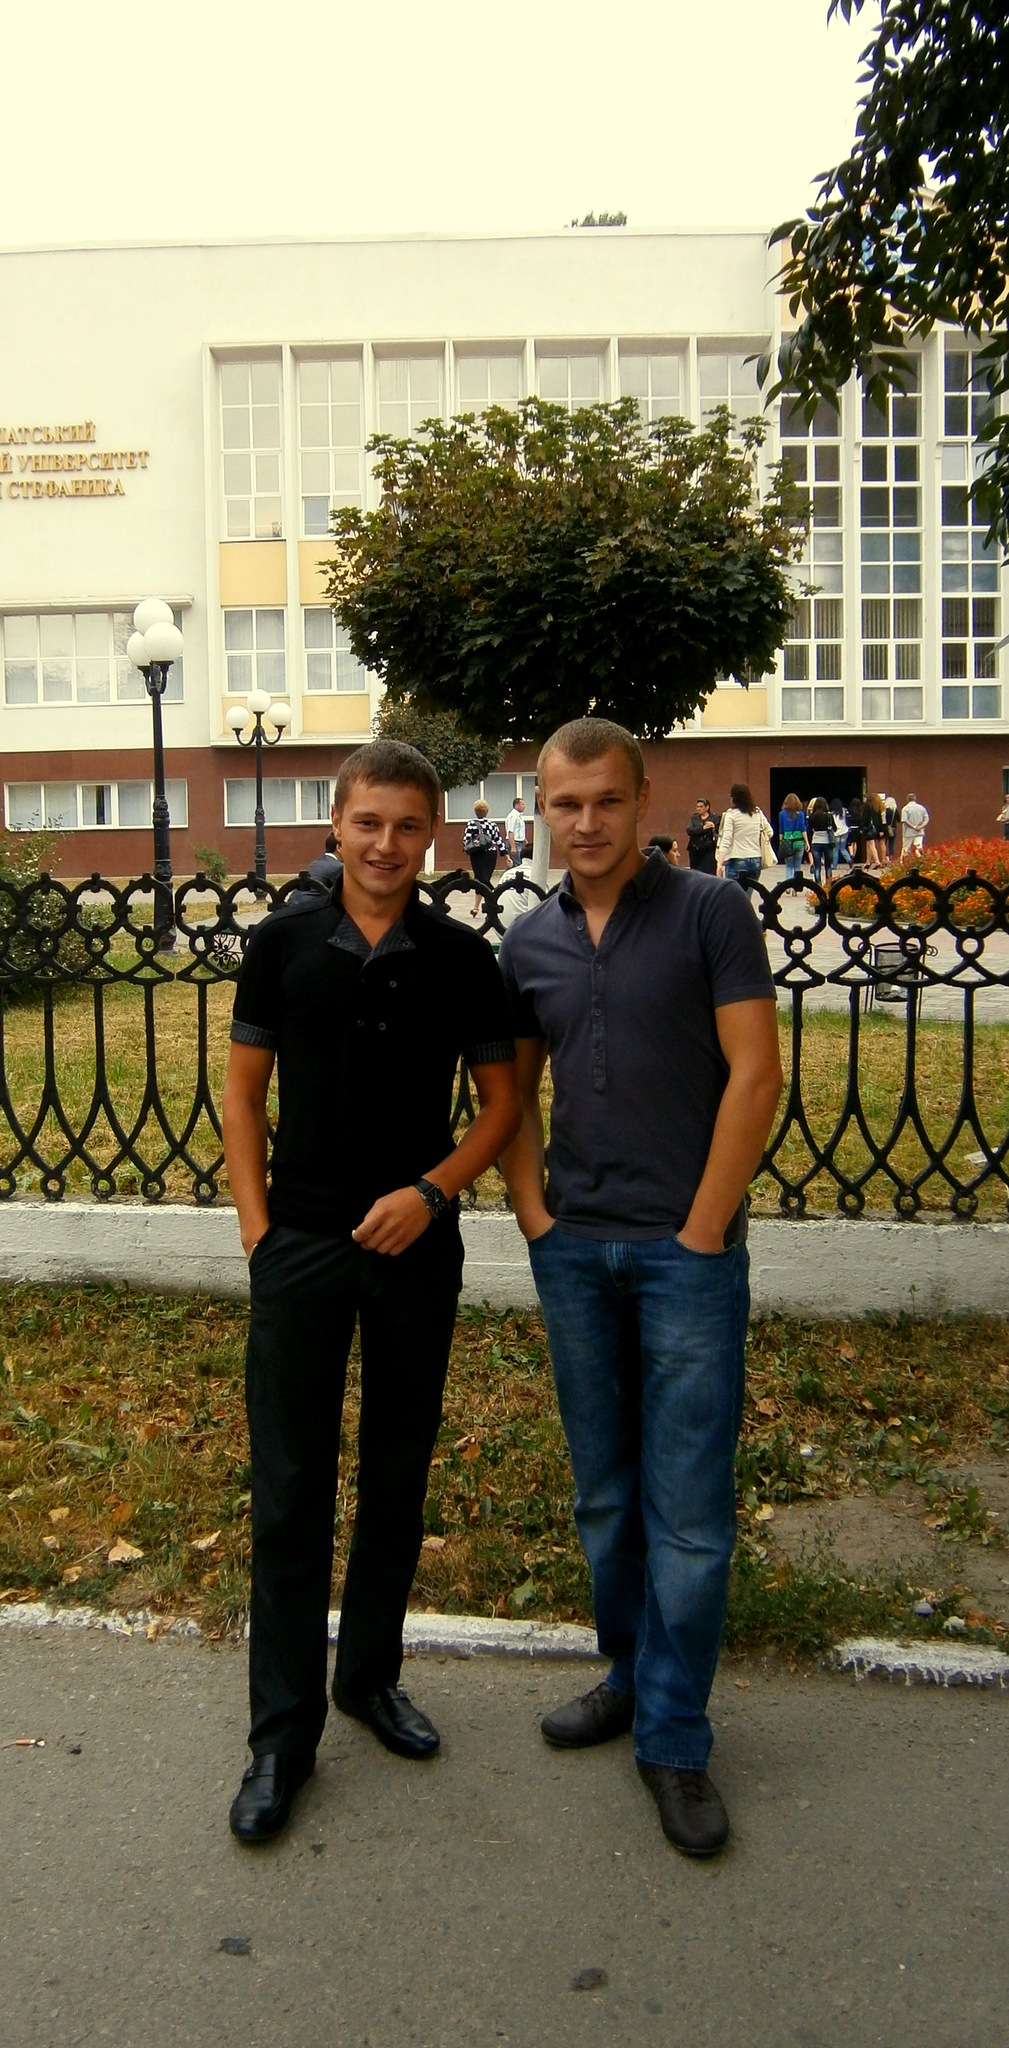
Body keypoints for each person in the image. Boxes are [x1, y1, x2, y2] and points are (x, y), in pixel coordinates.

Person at [222, 739, 520, 1845]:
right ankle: (281, 1733)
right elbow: (243, 1096)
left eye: (407, 827)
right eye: (367, 823)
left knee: (397, 1468)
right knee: (291, 1484)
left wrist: (431, 1193)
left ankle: (369, 1677)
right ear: (337, 825)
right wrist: (259, 1232)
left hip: (413, 1248)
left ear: (431, 836)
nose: (386, 844)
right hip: (300, 1244)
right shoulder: (283, 944)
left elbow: (501, 1107)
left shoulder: (460, 957)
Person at [498, 718, 781, 1859]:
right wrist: (535, 1216)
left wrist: (702, 1230)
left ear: (642, 798)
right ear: (542, 808)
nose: (586, 823)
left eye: (605, 800)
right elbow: (511, 1095)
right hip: (575, 1251)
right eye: (565, 804)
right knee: (606, 1496)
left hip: (684, 1257)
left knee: (690, 1513)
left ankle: (672, 1734)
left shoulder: (711, 912)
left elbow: (755, 1074)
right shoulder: (528, 939)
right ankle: (627, 1672)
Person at [715, 782, 771, 892]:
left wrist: (719, 863)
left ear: (733, 798)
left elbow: (726, 839)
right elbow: (770, 832)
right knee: (747, 896)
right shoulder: (757, 812)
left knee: (734, 895)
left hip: (737, 859)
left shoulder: (731, 814)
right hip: (755, 859)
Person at [463, 799, 507, 918]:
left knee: (481, 879)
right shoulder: (492, 824)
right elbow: (498, 840)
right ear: (487, 811)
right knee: (483, 879)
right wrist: (505, 855)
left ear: (475, 811)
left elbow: (466, 840)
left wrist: (469, 848)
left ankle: (492, 897)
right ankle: (479, 905)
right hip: (491, 854)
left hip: (477, 855)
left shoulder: (471, 824)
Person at [776, 792, 808, 886]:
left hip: (787, 841)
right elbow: (803, 828)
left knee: (789, 866)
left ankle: (788, 886)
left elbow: (781, 830)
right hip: (799, 842)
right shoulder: (801, 814)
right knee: (797, 866)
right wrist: (806, 842)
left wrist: (781, 842)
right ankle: (796, 886)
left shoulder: (781, 814)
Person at [685, 799, 719, 875]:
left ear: (707, 807)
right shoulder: (694, 818)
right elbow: (690, 830)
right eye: (697, 807)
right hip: (695, 848)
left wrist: (713, 826)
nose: (699, 809)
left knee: (709, 871)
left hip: (709, 849)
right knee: (695, 872)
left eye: (701, 807)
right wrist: (703, 828)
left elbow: (719, 830)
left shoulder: (714, 818)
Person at [806, 795, 834, 886]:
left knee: (817, 866)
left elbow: (809, 830)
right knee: (828, 866)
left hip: (816, 841)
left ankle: (818, 885)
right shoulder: (829, 816)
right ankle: (828, 884)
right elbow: (835, 828)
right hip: (827, 842)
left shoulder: (812, 816)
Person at [900, 793, 930, 860]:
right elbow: (926, 819)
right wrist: (921, 827)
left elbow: (905, 820)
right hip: (919, 832)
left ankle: (903, 862)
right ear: (915, 799)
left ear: (907, 799)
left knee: (906, 849)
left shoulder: (905, 808)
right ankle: (920, 861)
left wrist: (914, 826)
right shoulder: (922, 808)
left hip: (908, 833)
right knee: (918, 848)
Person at [505, 794, 529, 870]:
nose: (524, 806)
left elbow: (518, 829)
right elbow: (510, 831)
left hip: (519, 842)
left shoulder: (519, 816)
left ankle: (507, 875)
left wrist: (524, 839)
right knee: (518, 864)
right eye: (522, 804)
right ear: (516, 805)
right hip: (515, 842)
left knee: (513, 864)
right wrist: (513, 846)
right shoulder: (513, 816)